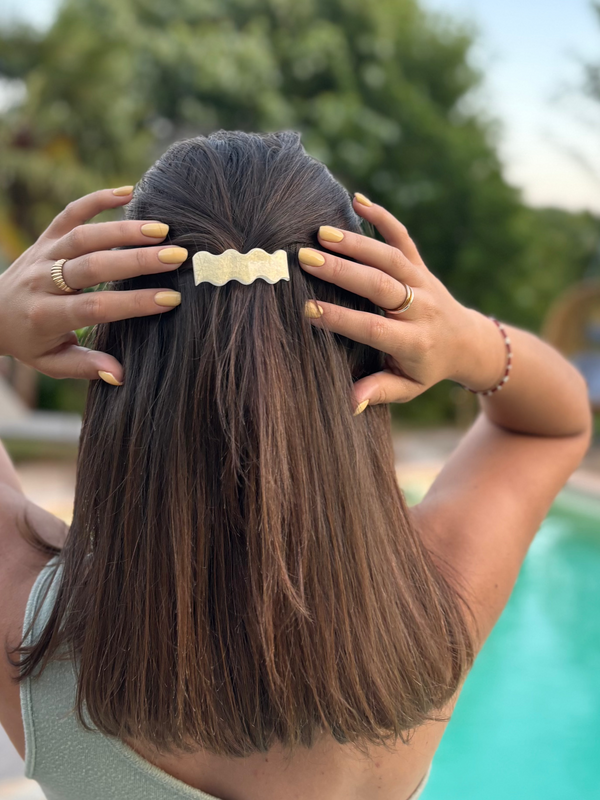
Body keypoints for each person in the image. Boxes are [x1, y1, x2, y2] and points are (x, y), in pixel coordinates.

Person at [0, 130, 592, 800]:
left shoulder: (29, 629)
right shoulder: (432, 610)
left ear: (118, 352)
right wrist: (468, 341)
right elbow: (556, 423)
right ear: (365, 356)